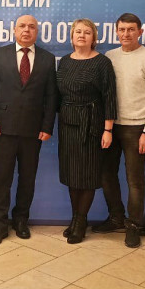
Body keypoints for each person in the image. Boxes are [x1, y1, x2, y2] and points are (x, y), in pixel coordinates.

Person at [0, 14, 57, 246]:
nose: (26, 30)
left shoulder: (47, 58)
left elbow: (51, 96)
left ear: (37, 31)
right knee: (2, 178)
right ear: (14, 30)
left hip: (33, 131)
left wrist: (47, 126)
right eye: (22, 26)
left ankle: (21, 220)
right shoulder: (0, 54)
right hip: (3, 129)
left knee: (27, 178)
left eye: (31, 27)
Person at [99, 13, 145, 248]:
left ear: (140, 32)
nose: (126, 34)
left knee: (134, 180)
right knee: (106, 174)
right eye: (122, 29)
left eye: (131, 29)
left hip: (137, 128)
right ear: (117, 32)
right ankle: (116, 217)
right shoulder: (110, 57)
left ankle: (134, 225)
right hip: (111, 126)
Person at [57, 19, 117, 244]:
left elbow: (110, 97)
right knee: (72, 174)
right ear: (72, 36)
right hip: (67, 125)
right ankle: (75, 218)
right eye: (78, 32)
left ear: (94, 38)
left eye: (87, 32)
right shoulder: (65, 61)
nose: (82, 35)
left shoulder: (102, 62)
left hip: (92, 126)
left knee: (88, 175)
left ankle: (81, 221)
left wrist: (108, 129)